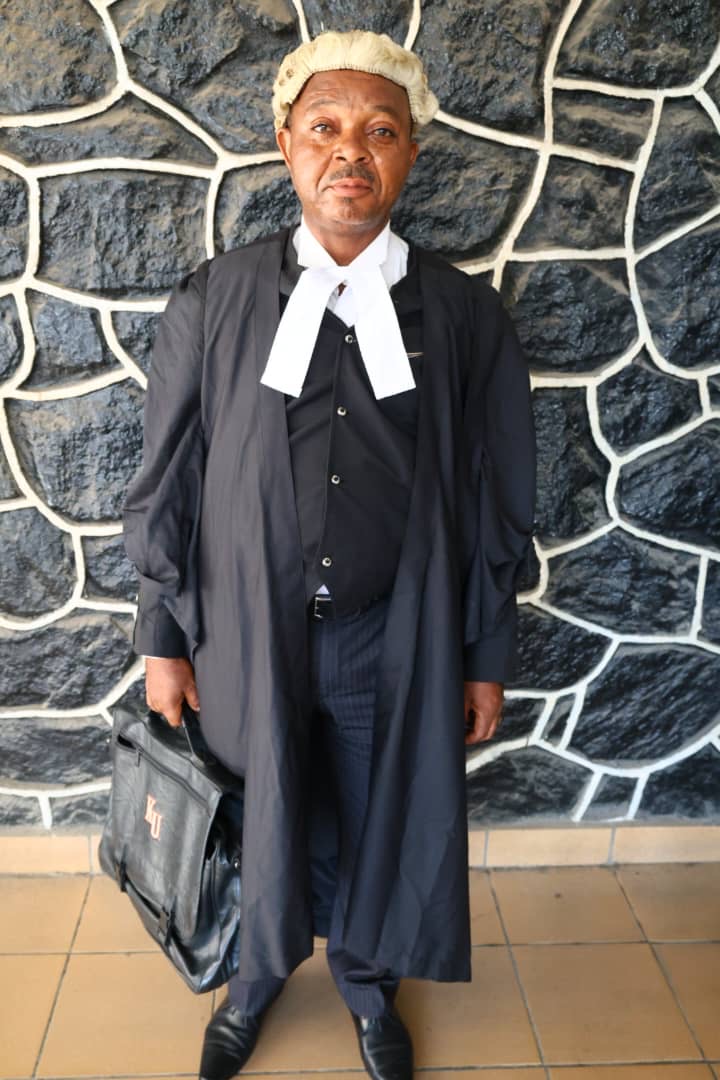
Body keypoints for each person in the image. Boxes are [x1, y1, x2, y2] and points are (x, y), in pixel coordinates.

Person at [122, 28, 535, 1080]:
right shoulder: (214, 299)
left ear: (409, 154)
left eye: (380, 131)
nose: (351, 151)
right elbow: (168, 478)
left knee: (371, 817)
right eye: (325, 127)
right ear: (286, 145)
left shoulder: (465, 316)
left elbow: (498, 495)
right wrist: (163, 638)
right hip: (244, 633)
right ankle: (251, 980)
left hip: (391, 637)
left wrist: (483, 652)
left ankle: (364, 982)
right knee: (257, 810)